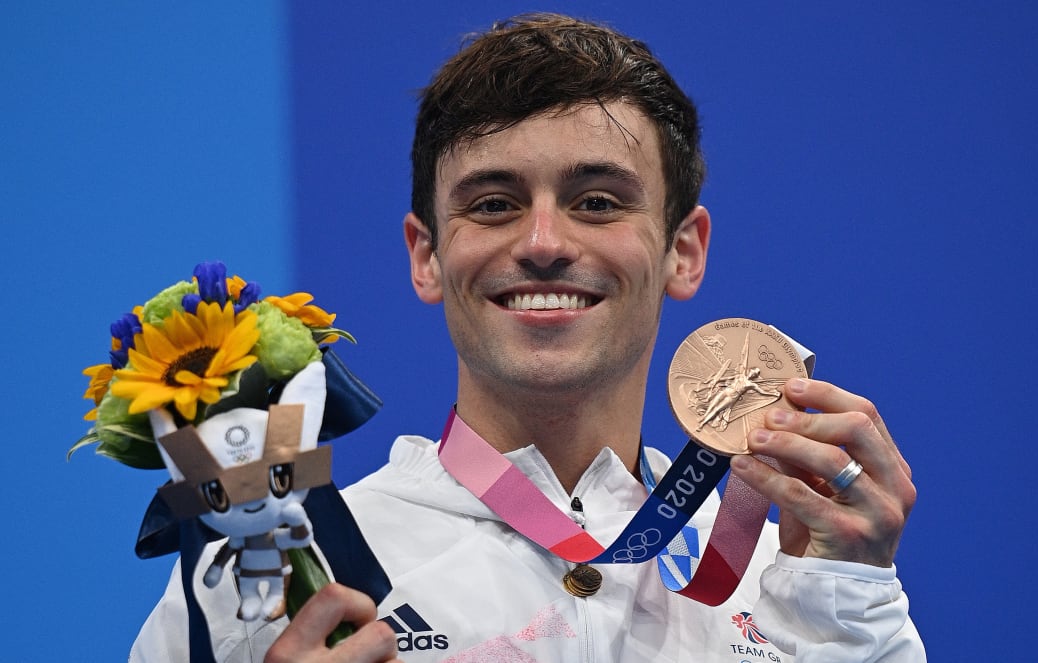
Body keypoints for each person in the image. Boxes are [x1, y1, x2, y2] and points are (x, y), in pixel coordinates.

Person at [132, 13, 924, 662]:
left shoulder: (792, 569)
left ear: (684, 249)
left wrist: (847, 610)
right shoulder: (273, 579)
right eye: (494, 204)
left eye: (599, 201)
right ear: (427, 254)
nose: (543, 240)